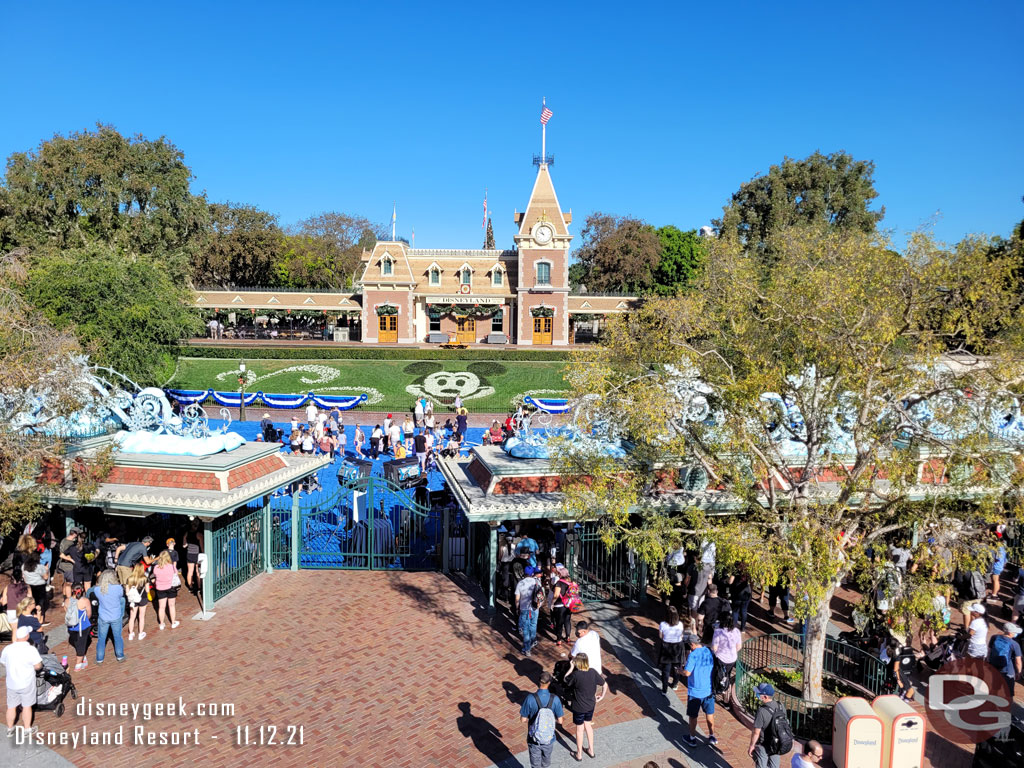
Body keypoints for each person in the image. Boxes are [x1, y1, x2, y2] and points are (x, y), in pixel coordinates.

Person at [563, 653, 607, 760]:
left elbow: (565, 679)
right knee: (588, 725)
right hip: (591, 705)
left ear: (577, 663)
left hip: (578, 707)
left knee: (579, 729)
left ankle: (579, 754)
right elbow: (605, 685)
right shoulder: (592, 672)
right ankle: (591, 750)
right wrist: (601, 696)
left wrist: (571, 667)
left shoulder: (576, 675)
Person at [2, 626, 43, 737]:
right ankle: (27, 729)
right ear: (26, 636)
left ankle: (10, 729)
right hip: (26, 683)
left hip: (11, 683)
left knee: (11, 706)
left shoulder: (8, 649)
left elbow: (3, 662)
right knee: (26, 706)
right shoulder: (30, 649)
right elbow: (38, 665)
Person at [519, 670, 565, 768]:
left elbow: (523, 719)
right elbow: (560, 721)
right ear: (549, 683)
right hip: (549, 738)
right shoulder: (555, 699)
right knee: (546, 761)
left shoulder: (530, 698)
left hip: (534, 738)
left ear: (539, 681)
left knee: (535, 764)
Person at [682, 634, 717, 746]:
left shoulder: (693, 655)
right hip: (708, 690)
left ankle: (692, 738)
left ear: (692, 644)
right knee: (709, 713)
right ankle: (712, 736)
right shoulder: (708, 651)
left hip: (695, 692)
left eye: (689, 645)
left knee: (693, 716)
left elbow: (687, 673)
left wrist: (679, 671)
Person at [748, 683, 789, 768]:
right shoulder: (780, 706)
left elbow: (756, 732)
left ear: (765, 696)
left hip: (764, 744)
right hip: (777, 742)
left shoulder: (761, 711)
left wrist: (752, 746)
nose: (757, 695)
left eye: (759, 694)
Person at [94, 570, 125, 663]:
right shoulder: (118, 588)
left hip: (103, 616)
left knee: (101, 638)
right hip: (115, 615)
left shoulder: (97, 589)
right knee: (118, 637)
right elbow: (121, 597)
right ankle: (120, 655)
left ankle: (100, 658)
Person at [711, 613, 743, 698]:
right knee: (727, 676)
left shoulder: (718, 632)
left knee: (718, 675)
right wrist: (731, 652)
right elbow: (739, 646)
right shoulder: (736, 631)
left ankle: (715, 690)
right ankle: (726, 698)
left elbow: (714, 647)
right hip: (732, 658)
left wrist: (718, 654)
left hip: (721, 658)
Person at [988, 622, 1022, 696]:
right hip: (1008, 671)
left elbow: (989, 652)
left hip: (994, 667)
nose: (1016, 634)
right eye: (1015, 632)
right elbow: (1018, 661)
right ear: (1010, 633)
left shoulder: (994, 637)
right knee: (1008, 693)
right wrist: (1019, 672)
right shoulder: (1015, 644)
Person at [515, 566, 543, 657]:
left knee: (525, 628)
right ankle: (533, 640)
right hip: (535, 607)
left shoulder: (520, 583)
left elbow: (517, 598)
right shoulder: (536, 582)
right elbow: (541, 595)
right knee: (533, 624)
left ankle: (527, 649)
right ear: (532, 574)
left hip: (524, 608)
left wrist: (517, 607)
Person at [658, 606, 685, 693]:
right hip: (677, 647)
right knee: (677, 667)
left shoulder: (662, 624)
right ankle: (675, 684)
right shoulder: (680, 624)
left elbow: (660, 636)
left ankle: (664, 688)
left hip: (666, 647)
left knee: (666, 669)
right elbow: (681, 636)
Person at [65, 582, 91, 671]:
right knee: (82, 644)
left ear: (72, 590)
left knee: (76, 642)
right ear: (82, 589)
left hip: (71, 627)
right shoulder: (85, 601)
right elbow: (89, 614)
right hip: (82, 626)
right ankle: (78, 664)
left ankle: (82, 657)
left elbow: (66, 611)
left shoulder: (67, 601)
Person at [152, 550, 180, 630]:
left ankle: (161, 624)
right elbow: (176, 574)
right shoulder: (171, 566)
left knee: (161, 607)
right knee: (171, 605)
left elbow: (155, 576)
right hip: (171, 587)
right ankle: (173, 622)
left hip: (160, 588)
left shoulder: (156, 568)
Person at [124, 562, 150, 641]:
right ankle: (140, 633)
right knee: (141, 617)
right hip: (143, 598)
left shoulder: (129, 579)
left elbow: (127, 592)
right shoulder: (145, 578)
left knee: (132, 617)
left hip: (133, 600)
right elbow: (147, 590)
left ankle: (131, 634)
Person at [22, 553, 49, 624]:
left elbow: (23, 577)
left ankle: (33, 617)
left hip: (29, 586)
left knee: (31, 602)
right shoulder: (39, 567)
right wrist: (47, 569)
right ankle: (41, 619)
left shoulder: (24, 566)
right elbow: (46, 577)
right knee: (41, 603)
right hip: (39, 586)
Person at [550, 566, 573, 647]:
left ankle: (559, 639)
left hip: (560, 606)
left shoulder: (559, 583)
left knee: (559, 623)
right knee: (567, 621)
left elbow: (556, 595)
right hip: (568, 605)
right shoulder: (571, 582)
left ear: (561, 574)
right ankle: (568, 637)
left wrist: (552, 603)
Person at [729, 567, 753, 632]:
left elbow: (730, 581)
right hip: (747, 593)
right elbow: (752, 582)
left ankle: (734, 627)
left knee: (735, 611)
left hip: (737, 593)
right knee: (744, 611)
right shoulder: (750, 568)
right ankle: (743, 628)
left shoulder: (737, 569)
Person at [183, 520, 203, 593]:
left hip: (189, 554)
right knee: (198, 571)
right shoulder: (199, 534)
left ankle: (190, 587)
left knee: (190, 571)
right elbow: (202, 547)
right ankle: (199, 587)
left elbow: (184, 545)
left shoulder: (187, 533)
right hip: (197, 554)